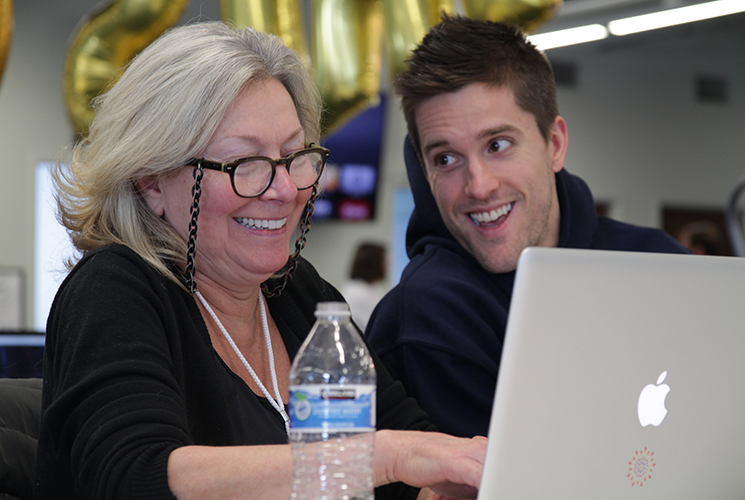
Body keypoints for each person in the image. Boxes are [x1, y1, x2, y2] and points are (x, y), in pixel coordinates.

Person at [34, 21, 486, 500]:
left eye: (294, 156)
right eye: (245, 164)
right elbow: (134, 477)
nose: (286, 189)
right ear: (152, 183)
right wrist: (378, 457)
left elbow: (410, 455)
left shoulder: (298, 292)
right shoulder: (113, 290)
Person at [365, 15, 690, 439]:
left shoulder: (661, 265)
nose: (479, 186)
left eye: (497, 145)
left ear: (554, 145)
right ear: (426, 174)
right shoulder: (427, 320)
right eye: (446, 158)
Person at [340, 242, 389, 330]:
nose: (387, 266)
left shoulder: (372, 288)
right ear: (374, 263)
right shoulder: (358, 293)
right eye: (384, 261)